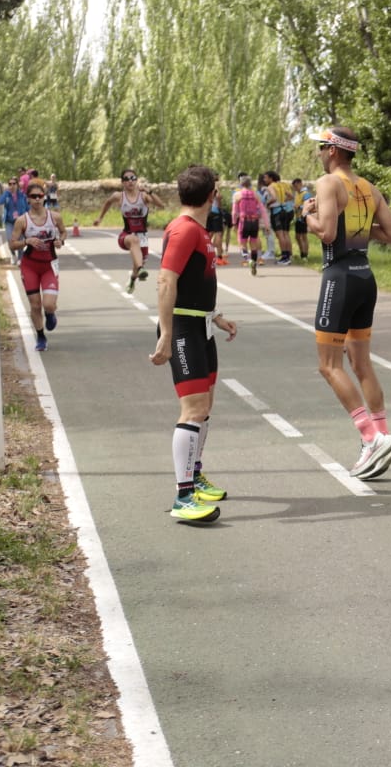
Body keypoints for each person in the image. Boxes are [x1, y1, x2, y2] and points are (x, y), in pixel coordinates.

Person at [302, 126, 391, 480]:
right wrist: (358, 229)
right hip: (365, 277)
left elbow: (327, 233)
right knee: (361, 363)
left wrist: (307, 216)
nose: (318, 152)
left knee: (329, 366)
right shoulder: (368, 188)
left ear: (333, 151)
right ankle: (383, 435)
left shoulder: (328, 183)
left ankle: (369, 437)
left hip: (339, 278)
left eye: (321, 146)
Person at [149, 164, 238, 524]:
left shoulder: (200, 231)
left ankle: (195, 475)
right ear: (212, 195)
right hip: (183, 329)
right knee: (193, 408)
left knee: (205, 406)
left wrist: (216, 316)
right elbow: (166, 282)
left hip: (202, 326)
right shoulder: (183, 230)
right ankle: (183, 497)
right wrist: (167, 336)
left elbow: (195, 284)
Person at [10, 179, 66, 352]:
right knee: (35, 305)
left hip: (49, 265)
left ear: (44, 197)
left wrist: (60, 241)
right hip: (30, 266)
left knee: (48, 304)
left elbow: (63, 232)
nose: (37, 199)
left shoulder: (54, 217)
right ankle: (41, 336)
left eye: (40, 196)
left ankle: (50, 314)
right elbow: (12, 244)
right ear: (27, 199)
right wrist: (26, 241)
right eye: (33, 196)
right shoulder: (22, 221)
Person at [95, 169, 166, 292]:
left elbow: (161, 205)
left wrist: (149, 191)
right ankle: (139, 270)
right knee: (134, 240)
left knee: (137, 265)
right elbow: (107, 203)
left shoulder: (143, 196)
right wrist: (100, 218)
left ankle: (133, 278)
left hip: (142, 237)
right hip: (126, 235)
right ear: (122, 182)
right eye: (127, 179)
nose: (130, 181)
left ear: (136, 180)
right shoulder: (119, 196)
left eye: (133, 178)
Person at [232, 174, 264, 274]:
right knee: (253, 244)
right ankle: (254, 262)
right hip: (254, 221)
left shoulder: (237, 195)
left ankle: (248, 260)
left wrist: (234, 223)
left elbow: (234, 212)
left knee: (242, 243)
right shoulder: (256, 195)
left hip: (243, 221)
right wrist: (265, 223)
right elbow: (261, 209)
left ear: (241, 184)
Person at [263, 170, 294, 264]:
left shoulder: (271, 186)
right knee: (285, 234)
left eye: (266, 177)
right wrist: (283, 201)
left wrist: (267, 204)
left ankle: (284, 257)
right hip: (284, 210)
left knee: (280, 235)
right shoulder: (281, 185)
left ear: (271, 178)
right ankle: (288, 255)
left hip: (276, 212)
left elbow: (273, 198)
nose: (264, 179)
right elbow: (291, 196)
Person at [0, 177, 26, 264]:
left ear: (17, 185)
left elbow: (27, 207)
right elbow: (0, 201)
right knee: (10, 239)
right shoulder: (7, 194)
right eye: (10, 184)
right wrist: (6, 192)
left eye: (14, 183)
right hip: (9, 221)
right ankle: (13, 255)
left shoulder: (22, 195)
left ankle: (20, 258)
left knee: (20, 240)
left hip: (20, 221)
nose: (12, 185)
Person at [206, 172, 227, 265]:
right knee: (218, 234)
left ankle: (205, 254)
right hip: (215, 211)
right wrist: (220, 205)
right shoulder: (215, 186)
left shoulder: (205, 186)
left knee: (209, 234)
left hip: (207, 212)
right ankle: (219, 257)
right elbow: (218, 196)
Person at [291, 178, 312, 260]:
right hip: (298, 218)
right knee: (297, 236)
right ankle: (302, 253)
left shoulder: (306, 194)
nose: (295, 188)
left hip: (304, 217)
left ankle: (305, 255)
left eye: (296, 186)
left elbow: (309, 205)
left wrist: (299, 207)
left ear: (300, 184)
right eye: (294, 187)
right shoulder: (297, 194)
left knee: (303, 236)